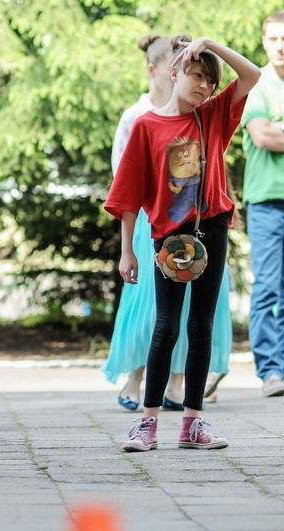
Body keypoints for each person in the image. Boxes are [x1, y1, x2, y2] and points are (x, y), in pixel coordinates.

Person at [105, 35, 259, 452]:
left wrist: (211, 45)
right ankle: (148, 423)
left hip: (211, 227)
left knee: (201, 326)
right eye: (196, 75)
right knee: (166, 325)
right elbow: (127, 194)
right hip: (167, 238)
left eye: (210, 81)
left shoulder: (214, 117)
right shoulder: (146, 126)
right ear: (174, 73)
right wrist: (127, 250)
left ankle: (193, 422)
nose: (204, 87)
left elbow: (253, 74)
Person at [242, 11, 284, 398]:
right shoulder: (257, 85)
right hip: (267, 203)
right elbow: (264, 136)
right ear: (264, 41)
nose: (281, 45)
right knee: (268, 287)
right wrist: (274, 131)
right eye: (273, 39)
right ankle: (271, 371)